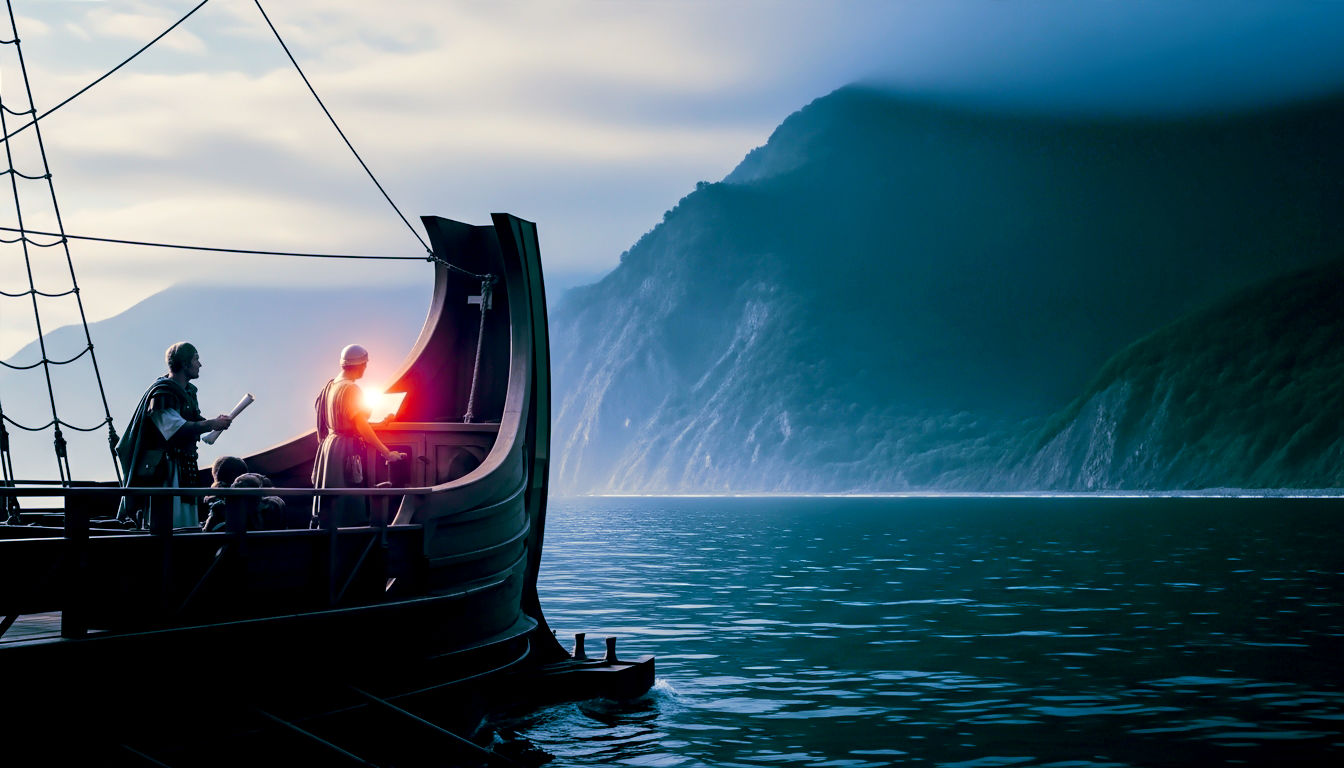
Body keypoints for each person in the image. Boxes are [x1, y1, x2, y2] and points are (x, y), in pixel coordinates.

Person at [115, 342, 232, 531]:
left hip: (183, 466)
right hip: (165, 470)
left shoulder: (187, 392)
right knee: (167, 523)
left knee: (185, 521)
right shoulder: (163, 393)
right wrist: (211, 424)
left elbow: (191, 421)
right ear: (185, 363)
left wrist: (215, 423)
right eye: (196, 359)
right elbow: (175, 428)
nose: (200, 364)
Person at [311, 344, 404, 528]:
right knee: (346, 505)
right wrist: (387, 453)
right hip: (344, 450)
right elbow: (360, 425)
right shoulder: (352, 390)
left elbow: (348, 421)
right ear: (360, 365)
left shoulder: (331, 385)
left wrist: (380, 423)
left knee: (330, 503)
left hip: (329, 448)